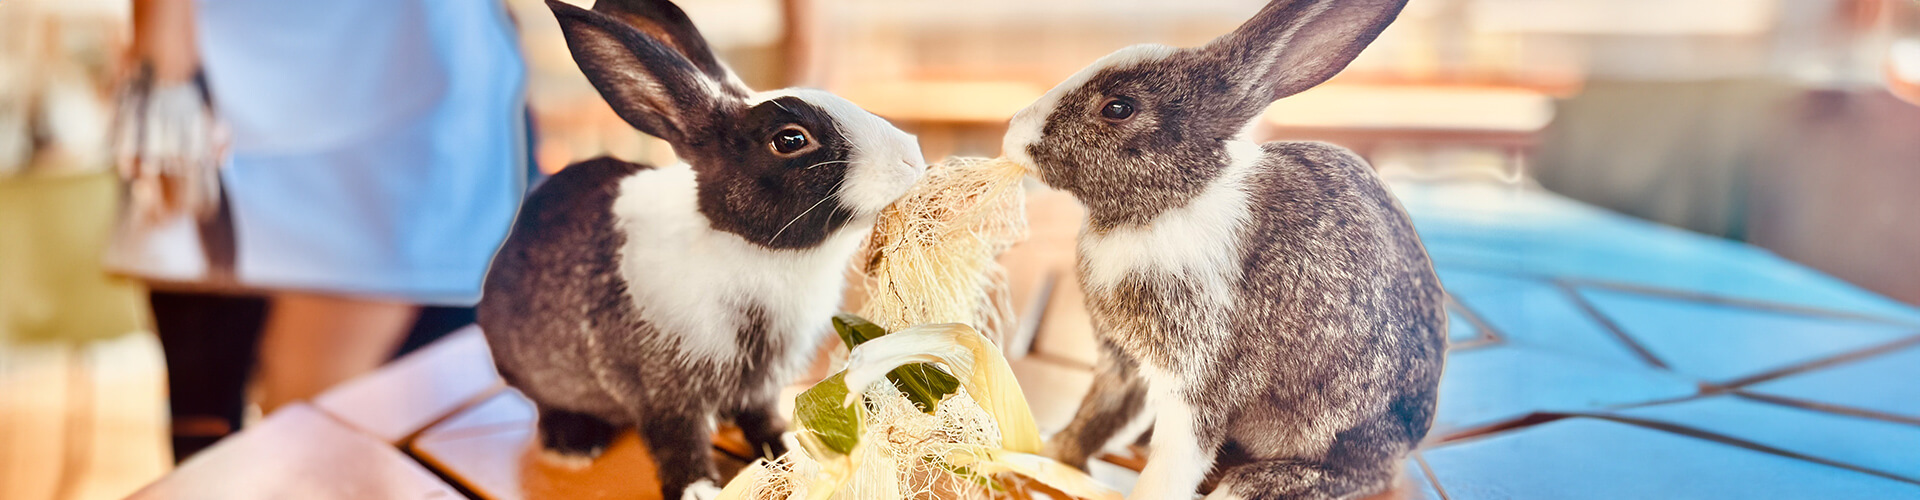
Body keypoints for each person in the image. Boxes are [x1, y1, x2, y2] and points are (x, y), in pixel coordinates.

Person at [114, 0, 528, 460]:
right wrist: (163, 65)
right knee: (229, 440)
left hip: (398, 95)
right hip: (214, 103)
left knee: (329, 448)